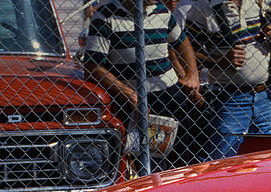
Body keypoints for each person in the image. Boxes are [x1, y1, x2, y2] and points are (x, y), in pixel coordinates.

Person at [83, 0, 205, 169]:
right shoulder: (106, 16)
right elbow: (93, 66)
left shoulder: (161, 11)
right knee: (139, 157)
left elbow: (181, 42)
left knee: (183, 154)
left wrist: (192, 74)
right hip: (129, 102)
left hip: (168, 93)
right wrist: (127, 92)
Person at [185, 0, 271, 159]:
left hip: (264, 95)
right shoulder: (202, 8)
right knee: (224, 158)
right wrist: (220, 61)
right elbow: (186, 50)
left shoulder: (261, 2)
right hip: (229, 98)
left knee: (267, 158)